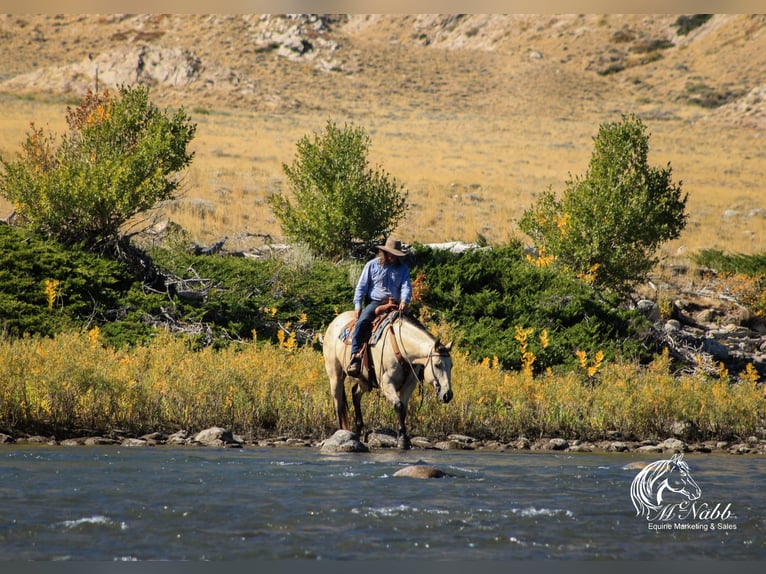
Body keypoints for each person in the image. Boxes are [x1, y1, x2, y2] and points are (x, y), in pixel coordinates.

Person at [347, 237, 412, 377]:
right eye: (390, 253)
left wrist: (404, 301)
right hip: (376, 302)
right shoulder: (372, 265)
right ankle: (355, 357)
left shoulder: (403, 269)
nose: (393, 256)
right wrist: (357, 305)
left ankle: (417, 365)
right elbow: (361, 287)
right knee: (362, 322)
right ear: (384, 252)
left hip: (395, 304)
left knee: (414, 326)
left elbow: (406, 286)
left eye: (395, 254)